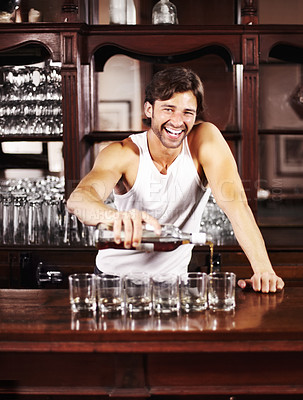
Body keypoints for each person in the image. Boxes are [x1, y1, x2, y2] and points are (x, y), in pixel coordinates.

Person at [67, 66, 284, 293]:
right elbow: (79, 200)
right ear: (149, 109)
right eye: (168, 109)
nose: (178, 121)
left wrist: (263, 271)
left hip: (173, 285)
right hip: (113, 281)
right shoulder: (122, 153)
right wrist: (115, 217)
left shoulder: (205, 141)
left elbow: (237, 206)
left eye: (187, 112)